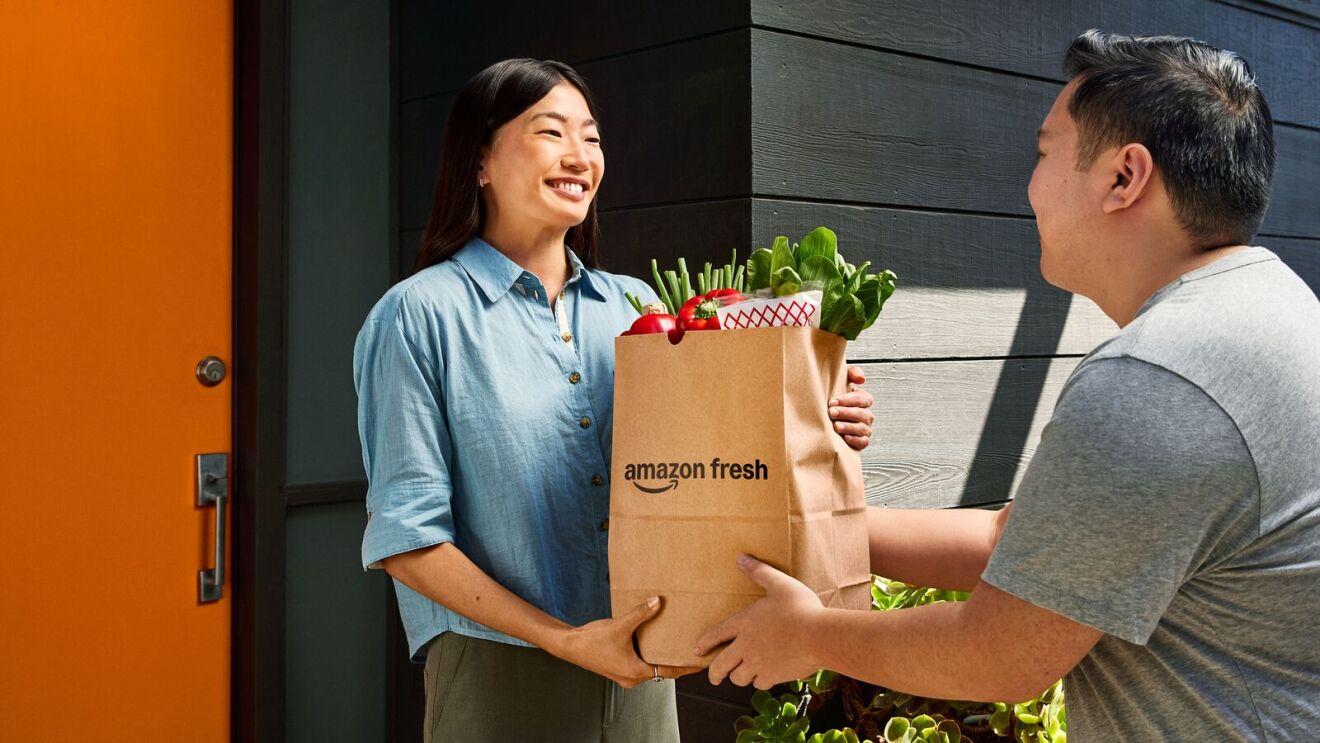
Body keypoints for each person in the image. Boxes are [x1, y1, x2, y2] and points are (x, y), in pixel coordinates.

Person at [694, 29, 1320, 740]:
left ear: (1124, 177)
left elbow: (998, 652)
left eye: (1045, 151)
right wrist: (809, 529)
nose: (1029, 185)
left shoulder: (1159, 377)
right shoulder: (1276, 310)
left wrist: (810, 636)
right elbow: (1015, 541)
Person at [352, 58, 876, 742]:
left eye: (592, 138)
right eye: (551, 132)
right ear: (478, 160)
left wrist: (821, 420)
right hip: (500, 678)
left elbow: (713, 466)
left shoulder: (637, 305)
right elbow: (409, 539)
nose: (580, 156)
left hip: (644, 669)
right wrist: (565, 639)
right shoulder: (416, 318)